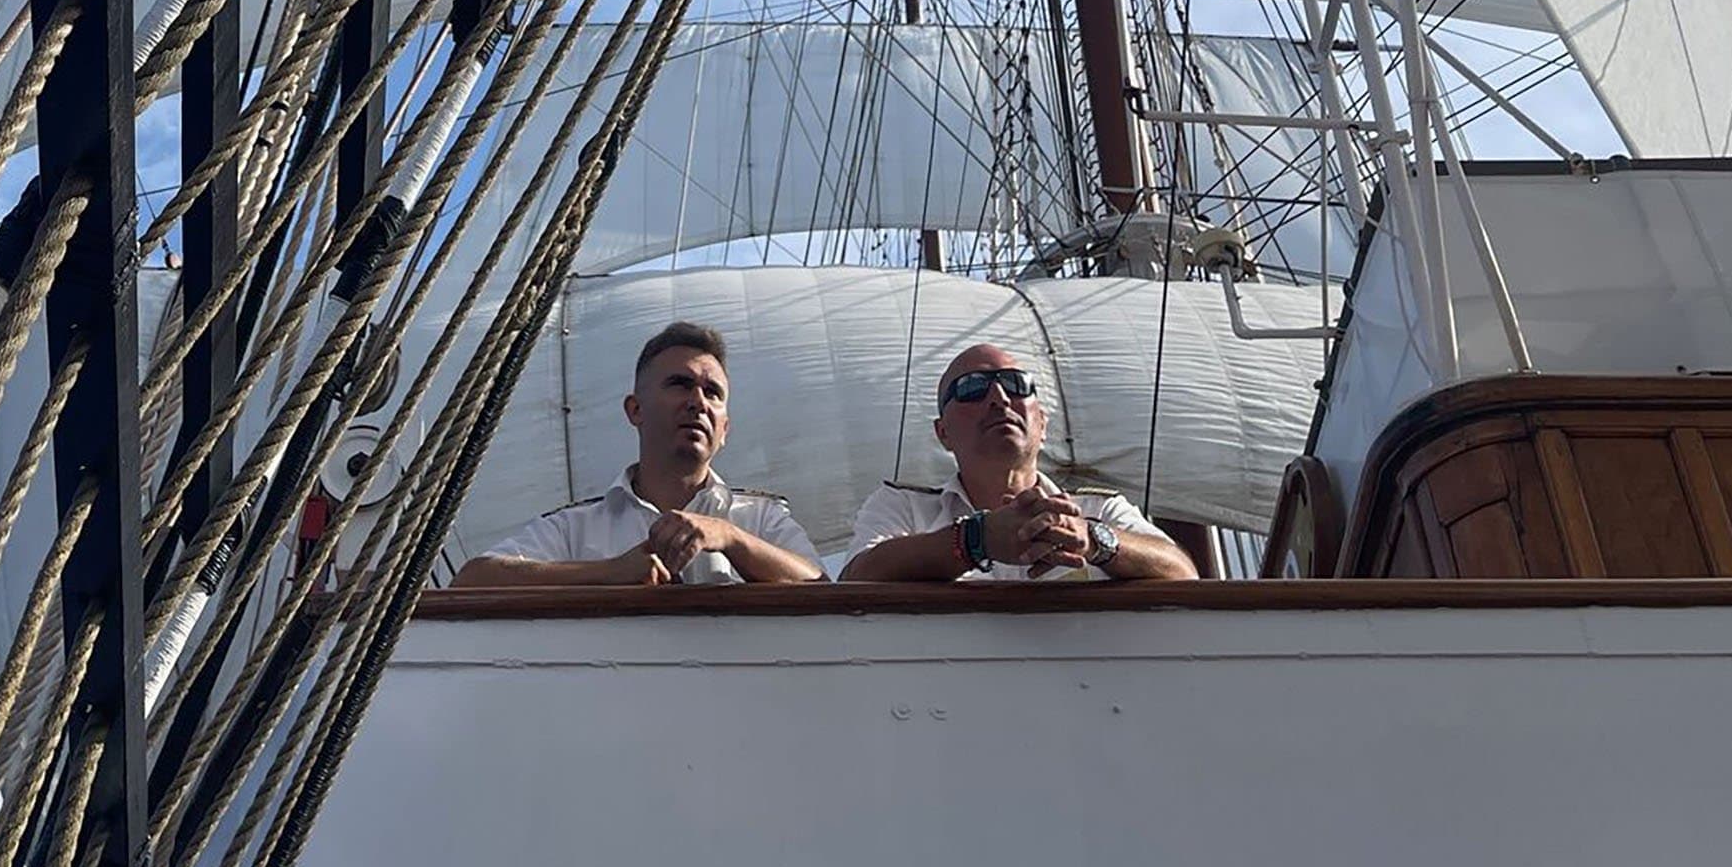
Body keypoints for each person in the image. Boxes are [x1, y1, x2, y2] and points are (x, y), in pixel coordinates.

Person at [453, 322, 823, 587]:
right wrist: (609, 572)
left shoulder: (761, 521)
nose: (698, 402)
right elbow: (474, 578)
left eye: (713, 393)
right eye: (680, 384)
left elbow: (822, 586)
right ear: (635, 410)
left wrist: (729, 537)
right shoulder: (576, 527)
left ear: (724, 430)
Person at [839, 341, 1197, 584]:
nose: (998, 397)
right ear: (943, 432)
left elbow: (1182, 571)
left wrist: (1092, 539)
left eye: (1016, 384)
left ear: (1042, 424)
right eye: (971, 388)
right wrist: (974, 540)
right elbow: (855, 581)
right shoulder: (902, 507)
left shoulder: (1099, 510)